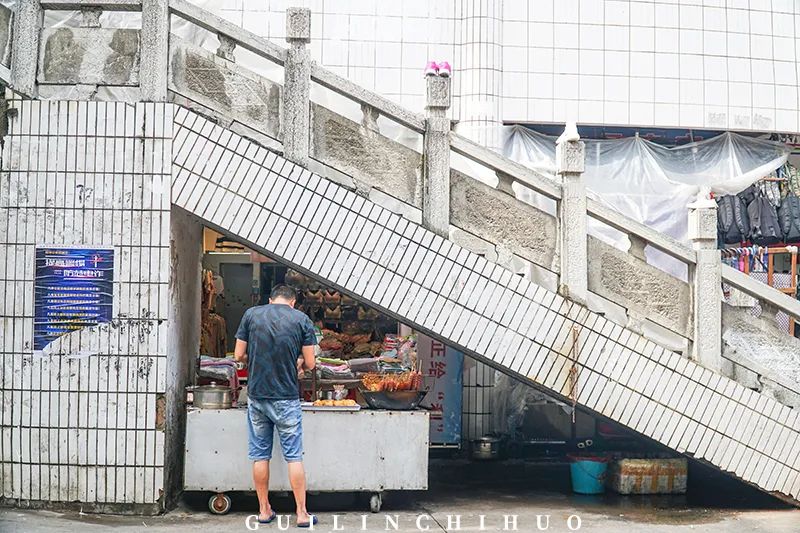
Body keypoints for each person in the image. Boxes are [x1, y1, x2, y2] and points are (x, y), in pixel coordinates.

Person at [234, 284, 318, 528]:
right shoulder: (302, 319)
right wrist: (299, 363)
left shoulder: (251, 314)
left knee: (260, 455)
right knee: (293, 456)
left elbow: (238, 356)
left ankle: (263, 510)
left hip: (258, 396)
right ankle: (301, 514)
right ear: (292, 302)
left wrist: (256, 359)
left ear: (271, 300)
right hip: (286, 398)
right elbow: (311, 364)